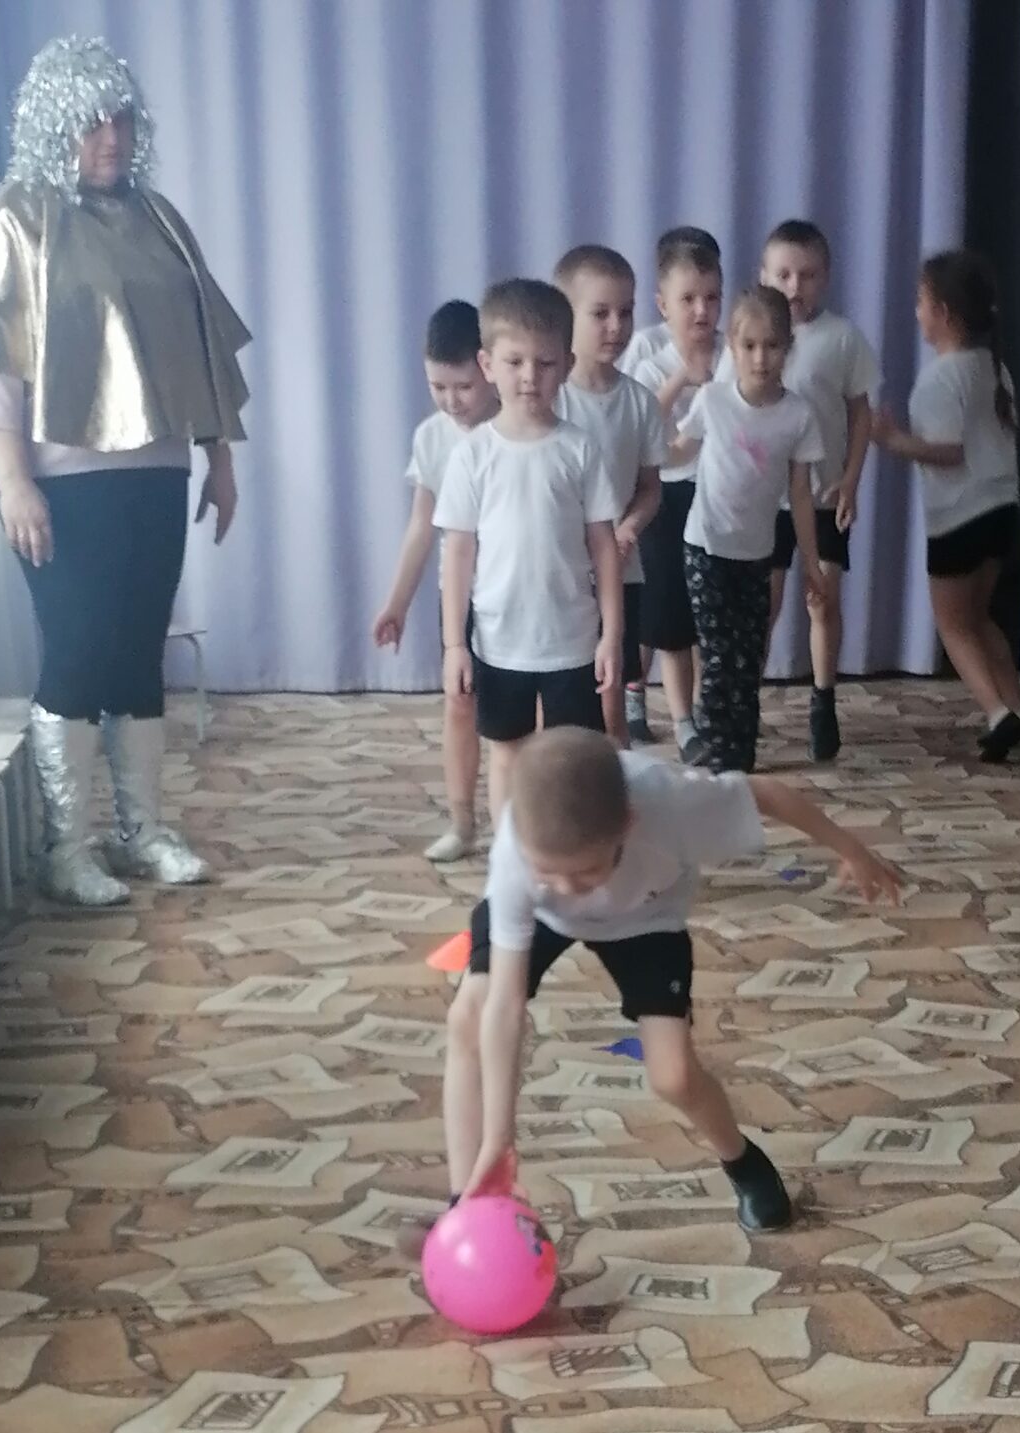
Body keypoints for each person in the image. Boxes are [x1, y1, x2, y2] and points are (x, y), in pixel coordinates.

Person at [0, 35, 249, 907]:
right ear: (54, 125)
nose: (112, 137)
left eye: (123, 120)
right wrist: (13, 479)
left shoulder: (158, 220)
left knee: (138, 651)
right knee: (78, 651)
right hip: (61, 483)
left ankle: (142, 831)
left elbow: (199, 347)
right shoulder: (15, 221)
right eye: (92, 121)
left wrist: (218, 458)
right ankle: (67, 847)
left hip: (157, 472)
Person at [444, 727, 900, 1233]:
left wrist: (852, 850)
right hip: (541, 915)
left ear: (628, 824)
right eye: (551, 872)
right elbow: (505, 1005)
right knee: (470, 1016)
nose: (570, 888)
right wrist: (499, 1141)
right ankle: (467, 1203)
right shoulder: (518, 853)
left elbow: (769, 794)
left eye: (587, 871)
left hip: (646, 916)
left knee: (674, 1077)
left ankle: (744, 1163)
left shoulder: (672, 801)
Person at [433, 279, 622, 818]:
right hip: (499, 642)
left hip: (572, 641)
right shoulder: (472, 456)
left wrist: (612, 635)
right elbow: (457, 555)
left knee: (574, 759)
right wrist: (454, 644)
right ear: (487, 364)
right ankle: (510, 857)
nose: (529, 377)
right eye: (514, 362)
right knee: (509, 755)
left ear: (566, 365)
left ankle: (573, 853)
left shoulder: (579, 450)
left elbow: (605, 548)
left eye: (544, 363)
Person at [873, 249, 1020, 759]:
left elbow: (948, 451)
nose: (916, 312)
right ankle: (1018, 706)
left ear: (942, 312)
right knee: (980, 617)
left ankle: (997, 713)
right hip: (1002, 510)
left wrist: (892, 440)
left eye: (921, 302)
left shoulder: (941, 377)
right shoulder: (995, 368)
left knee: (954, 626)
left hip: (959, 517)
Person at [673, 287, 825, 773]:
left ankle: (739, 750)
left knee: (749, 653)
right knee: (719, 656)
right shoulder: (714, 401)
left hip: (757, 553)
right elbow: (678, 450)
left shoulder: (798, 415)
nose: (761, 358)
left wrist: (813, 565)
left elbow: (800, 495)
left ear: (788, 348)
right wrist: (642, 451)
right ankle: (720, 756)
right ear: (732, 348)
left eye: (772, 346)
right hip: (706, 547)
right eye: (749, 346)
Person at [372, 300, 498, 865]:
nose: (451, 400)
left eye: (463, 386)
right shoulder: (431, 437)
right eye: (437, 387)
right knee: (459, 702)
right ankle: (462, 822)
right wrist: (396, 603)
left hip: (518, 586)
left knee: (523, 716)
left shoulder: (517, 424)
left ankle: (528, 824)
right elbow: (422, 526)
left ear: (488, 366)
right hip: (461, 590)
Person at [753, 220, 880, 762]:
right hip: (765, 502)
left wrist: (851, 478)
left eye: (806, 275)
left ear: (824, 278)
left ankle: (823, 701)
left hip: (824, 496)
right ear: (764, 275)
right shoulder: (750, 338)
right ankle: (747, 700)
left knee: (822, 600)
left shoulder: (842, 338)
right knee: (764, 605)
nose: (794, 286)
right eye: (783, 274)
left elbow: (861, 414)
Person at [554, 245, 666, 748]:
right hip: (559, 576)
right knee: (558, 705)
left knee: (611, 704)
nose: (616, 327)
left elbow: (649, 488)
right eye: (600, 313)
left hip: (621, 574)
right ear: (567, 315)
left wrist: (630, 527)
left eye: (626, 311)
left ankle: (616, 788)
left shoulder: (639, 402)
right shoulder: (550, 399)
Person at [626, 229, 723, 752]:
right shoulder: (650, 359)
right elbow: (642, 426)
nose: (702, 310)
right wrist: (683, 377)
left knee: (704, 613)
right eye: (689, 299)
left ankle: (705, 713)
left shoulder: (733, 353)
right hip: (664, 496)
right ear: (664, 305)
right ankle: (673, 716)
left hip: (717, 497)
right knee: (665, 609)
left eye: (711, 297)